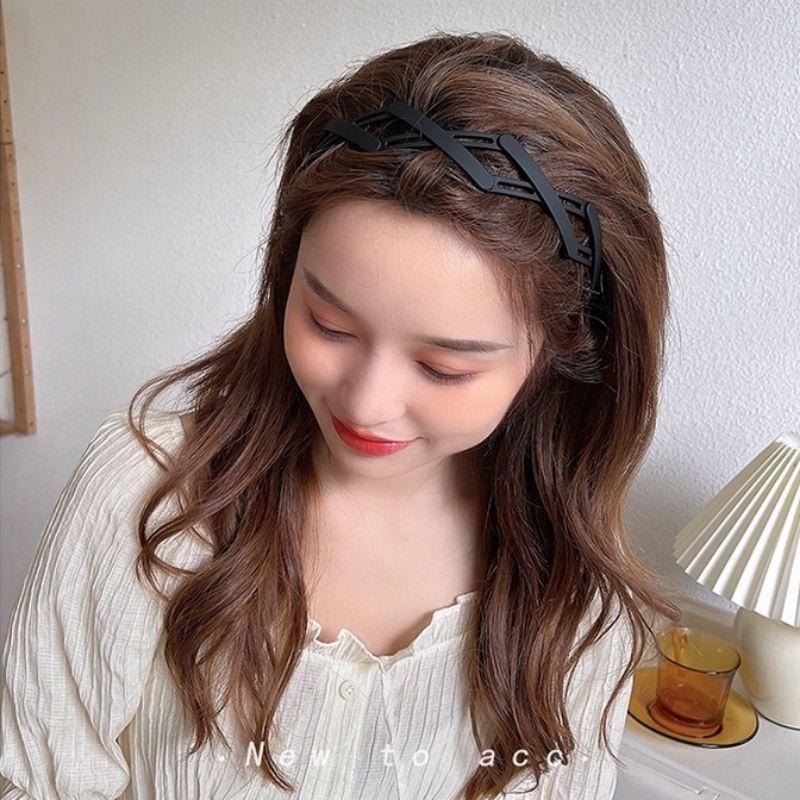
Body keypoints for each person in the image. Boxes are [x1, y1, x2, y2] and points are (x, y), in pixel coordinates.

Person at [0, 31, 681, 800]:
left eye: (445, 367)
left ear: (563, 351)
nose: (365, 402)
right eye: (329, 325)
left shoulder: (573, 595)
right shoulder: (147, 494)